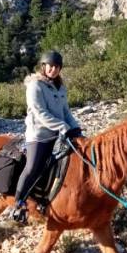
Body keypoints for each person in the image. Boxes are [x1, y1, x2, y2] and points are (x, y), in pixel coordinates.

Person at [8, 50, 82, 223]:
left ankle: (49, 199)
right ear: (43, 66)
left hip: (58, 133)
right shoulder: (35, 86)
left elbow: (65, 112)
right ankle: (18, 204)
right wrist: (64, 127)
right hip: (39, 135)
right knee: (33, 167)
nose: (53, 70)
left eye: (57, 67)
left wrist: (76, 128)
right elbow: (40, 113)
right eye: (50, 66)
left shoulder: (60, 87)